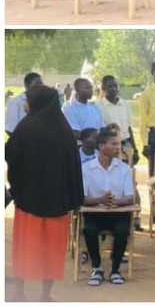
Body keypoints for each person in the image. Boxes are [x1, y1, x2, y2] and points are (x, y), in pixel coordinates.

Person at [6, 85, 84, 301]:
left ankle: (19, 292)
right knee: (52, 251)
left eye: (28, 99)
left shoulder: (25, 127)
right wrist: (74, 197)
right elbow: (74, 165)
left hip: (29, 201)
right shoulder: (64, 129)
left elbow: (10, 154)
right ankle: (45, 295)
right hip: (57, 204)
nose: (25, 103)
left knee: (25, 248)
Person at [81, 130, 136, 286]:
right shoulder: (86, 168)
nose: (118, 147)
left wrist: (114, 202)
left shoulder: (124, 169)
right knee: (89, 230)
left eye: (118, 144)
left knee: (122, 230)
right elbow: (82, 198)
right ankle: (97, 268)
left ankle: (115, 270)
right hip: (95, 213)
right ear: (101, 146)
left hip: (117, 213)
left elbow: (130, 197)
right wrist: (100, 200)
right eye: (114, 144)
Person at [97, 76, 134, 164]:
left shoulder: (125, 104)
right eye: (110, 86)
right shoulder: (98, 106)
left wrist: (134, 148)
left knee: (127, 172)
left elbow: (129, 127)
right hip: (109, 147)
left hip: (126, 144)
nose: (113, 89)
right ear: (103, 88)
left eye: (115, 86)